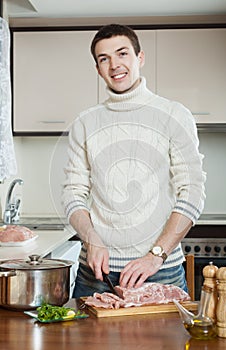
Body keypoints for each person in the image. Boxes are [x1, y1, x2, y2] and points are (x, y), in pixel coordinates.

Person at [62, 24, 206, 297]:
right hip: (96, 272)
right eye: (104, 59)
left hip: (159, 269)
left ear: (140, 57)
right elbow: (73, 192)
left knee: (167, 341)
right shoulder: (85, 122)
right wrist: (92, 241)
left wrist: (155, 254)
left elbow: (193, 192)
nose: (114, 64)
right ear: (98, 69)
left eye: (122, 54)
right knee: (85, 342)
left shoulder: (174, 114)